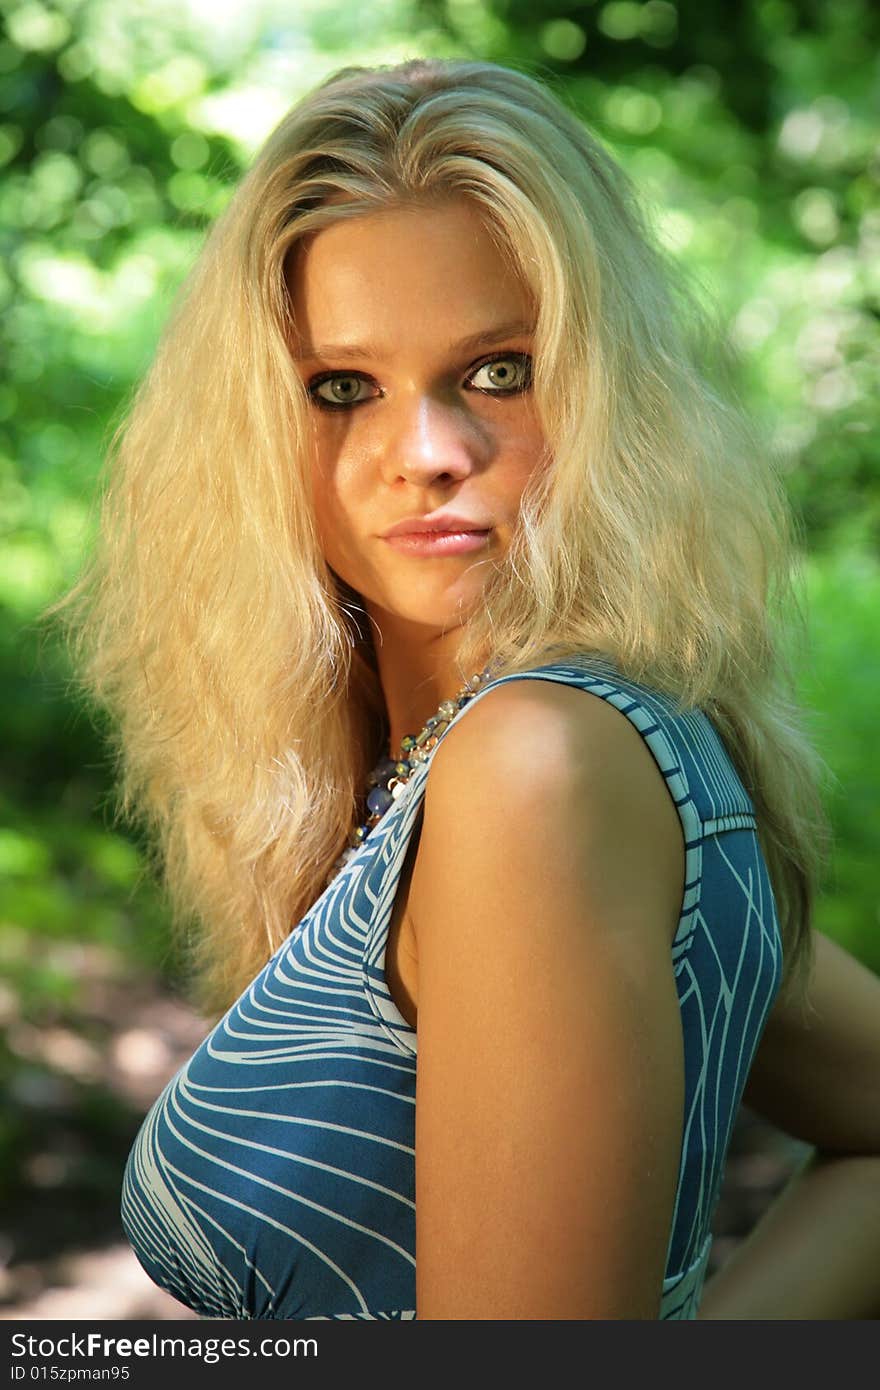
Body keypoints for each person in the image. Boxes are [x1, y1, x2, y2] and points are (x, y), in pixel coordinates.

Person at [49, 58, 880, 1321]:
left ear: (607, 394)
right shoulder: (529, 767)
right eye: (343, 389)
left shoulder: (536, 768)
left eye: (498, 369)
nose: (428, 454)